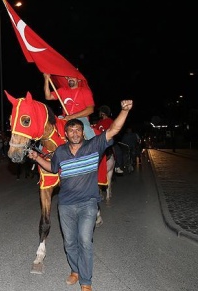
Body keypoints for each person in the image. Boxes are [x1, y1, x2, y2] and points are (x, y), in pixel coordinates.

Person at [27, 100, 133, 291]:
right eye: (71, 131)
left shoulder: (95, 146)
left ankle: (86, 281)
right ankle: (75, 270)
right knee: (69, 242)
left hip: (88, 204)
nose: (75, 133)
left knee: (85, 241)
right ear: (65, 134)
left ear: (83, 132)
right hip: (66, 205)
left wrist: (124, 111)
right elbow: (52, 168)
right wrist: (38, 158)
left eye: (78, 130)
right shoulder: (60, 151)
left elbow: (114, 130)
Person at [43, 73, 96, 140]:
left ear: (78, 80)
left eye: (73, 77)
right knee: (50, 128)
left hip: (81, 118)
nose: (70, 79)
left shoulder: (85, 91)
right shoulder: (63, 90)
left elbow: (90, 109)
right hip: (64, 117)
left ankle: (94, 147)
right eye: (68, 77)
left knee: (86, 129)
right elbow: (48, 97)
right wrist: (46, 79)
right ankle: (40, 149)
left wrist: (71, 117)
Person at [96, 105, 124, 174]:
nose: (99, 113)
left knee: (118, 152)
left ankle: (117, 167)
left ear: (103, 113)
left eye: (100, 112)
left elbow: (115, 130)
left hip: (109, 141)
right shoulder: (99, 122)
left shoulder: (111, 121)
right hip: (100, 142)